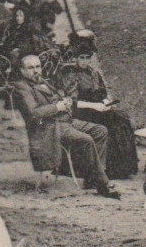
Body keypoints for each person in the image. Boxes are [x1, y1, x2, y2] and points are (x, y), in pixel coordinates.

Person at [13, 54, 120, 199]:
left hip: (65, 121)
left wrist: (65, 101)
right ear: (22, 70)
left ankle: (93, 177)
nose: (36, 70)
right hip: (50, 128)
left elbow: (56, 98)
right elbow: (33, 114)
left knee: (100, 131)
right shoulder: (22, 88)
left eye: (38, 66)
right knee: (86, 139)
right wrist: (57, 107)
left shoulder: (43, 81)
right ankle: (102, 183)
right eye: (30, 68)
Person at [60, 30, 139, 179]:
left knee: (122, 120)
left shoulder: (93, 72)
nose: (84, 61)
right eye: (81, 58)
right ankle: (101, 170)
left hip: (97, 109)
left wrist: (105, 102)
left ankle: (120, 169)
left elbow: (101, 93)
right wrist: (95, 106)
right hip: (80, 111)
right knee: (110, 125)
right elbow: (72, 101)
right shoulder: (70, 73)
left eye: (87, 58)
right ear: (75, 58)